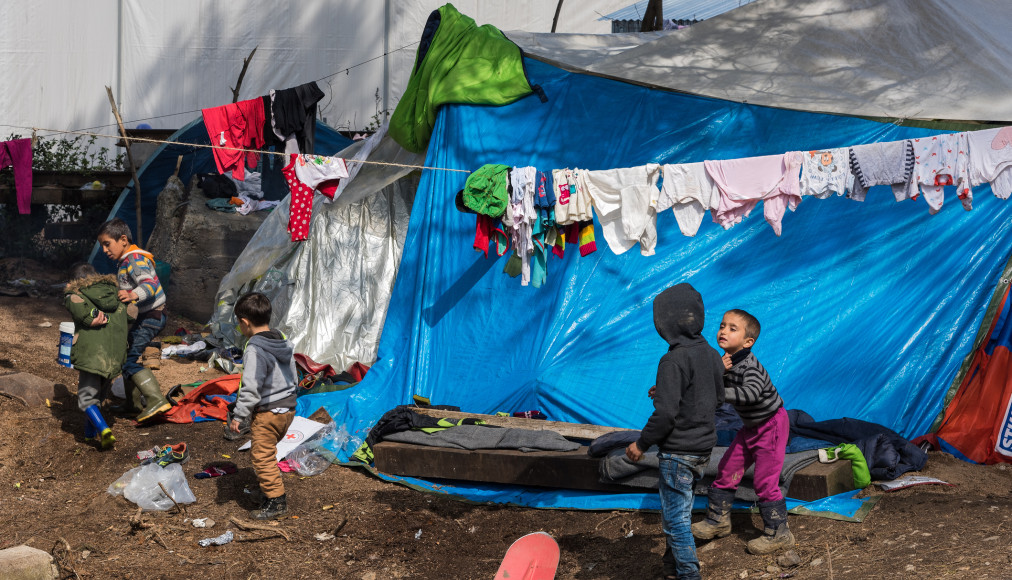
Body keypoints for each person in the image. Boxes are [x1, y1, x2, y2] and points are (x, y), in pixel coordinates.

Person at [625, 283, 725, 580]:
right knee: (679, 511)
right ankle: (671, 569)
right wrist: (669, 390)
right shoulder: (710, 354)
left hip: (678, 452)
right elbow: (716, 397)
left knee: (675, 522)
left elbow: (666, 414)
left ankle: (689, 574)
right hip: (703, 449)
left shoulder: (672, 359)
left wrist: (641, 444)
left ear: (665, 325)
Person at [691, 309, 794, 554]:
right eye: (722, 325)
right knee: (727, 469)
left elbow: (750, 394)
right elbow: (705, 382)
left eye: (732, 328)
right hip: (750, 427)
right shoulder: (724, 361)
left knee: (764, 481)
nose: (723, 331)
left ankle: (780, 533)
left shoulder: (750, 366)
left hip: (771, 426)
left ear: (748, 342)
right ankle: (718, 521)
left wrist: (717, 390)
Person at [229, 292, 298, 520]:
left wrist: (239, 415)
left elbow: (251, 387)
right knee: (268, 452)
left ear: (245, 322)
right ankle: (267, 489)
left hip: (268, 413)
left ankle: (277, 501)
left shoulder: (255, 349)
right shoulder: (282, 340)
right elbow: (293, 374)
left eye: (239, 323)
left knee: (261, 456)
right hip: (287, 410)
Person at [97, 218, 171, 422]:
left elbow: (150, 284)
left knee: (129, 362)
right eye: (101, 245)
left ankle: (156, 400)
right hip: (144, 317)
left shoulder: (135, 259)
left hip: (151, 316)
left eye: (106, 244)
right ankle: (133, 403)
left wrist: (133, 295)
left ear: (122, 239)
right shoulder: (126, 261)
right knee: (126, 357)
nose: (104, 250)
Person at [63, 263, 134, 449]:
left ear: (75, 281)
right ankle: (89, 434)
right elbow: (133, 315)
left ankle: (103, 429)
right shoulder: (117, 293)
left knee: (86, 399)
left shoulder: (75, 295)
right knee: (99, 397)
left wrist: (90, 317)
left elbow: (82, 312)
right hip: (114, 355)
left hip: (92, 355)